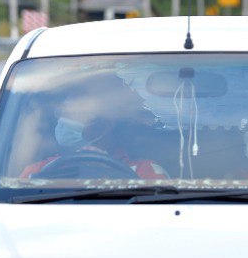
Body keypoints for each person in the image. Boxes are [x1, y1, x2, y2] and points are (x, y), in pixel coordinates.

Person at [21, 74, 168, 180]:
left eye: (79, 115)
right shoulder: (37, 173)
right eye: (63, 114)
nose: (64, 122)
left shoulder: (145, 172)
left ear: (105, 126)